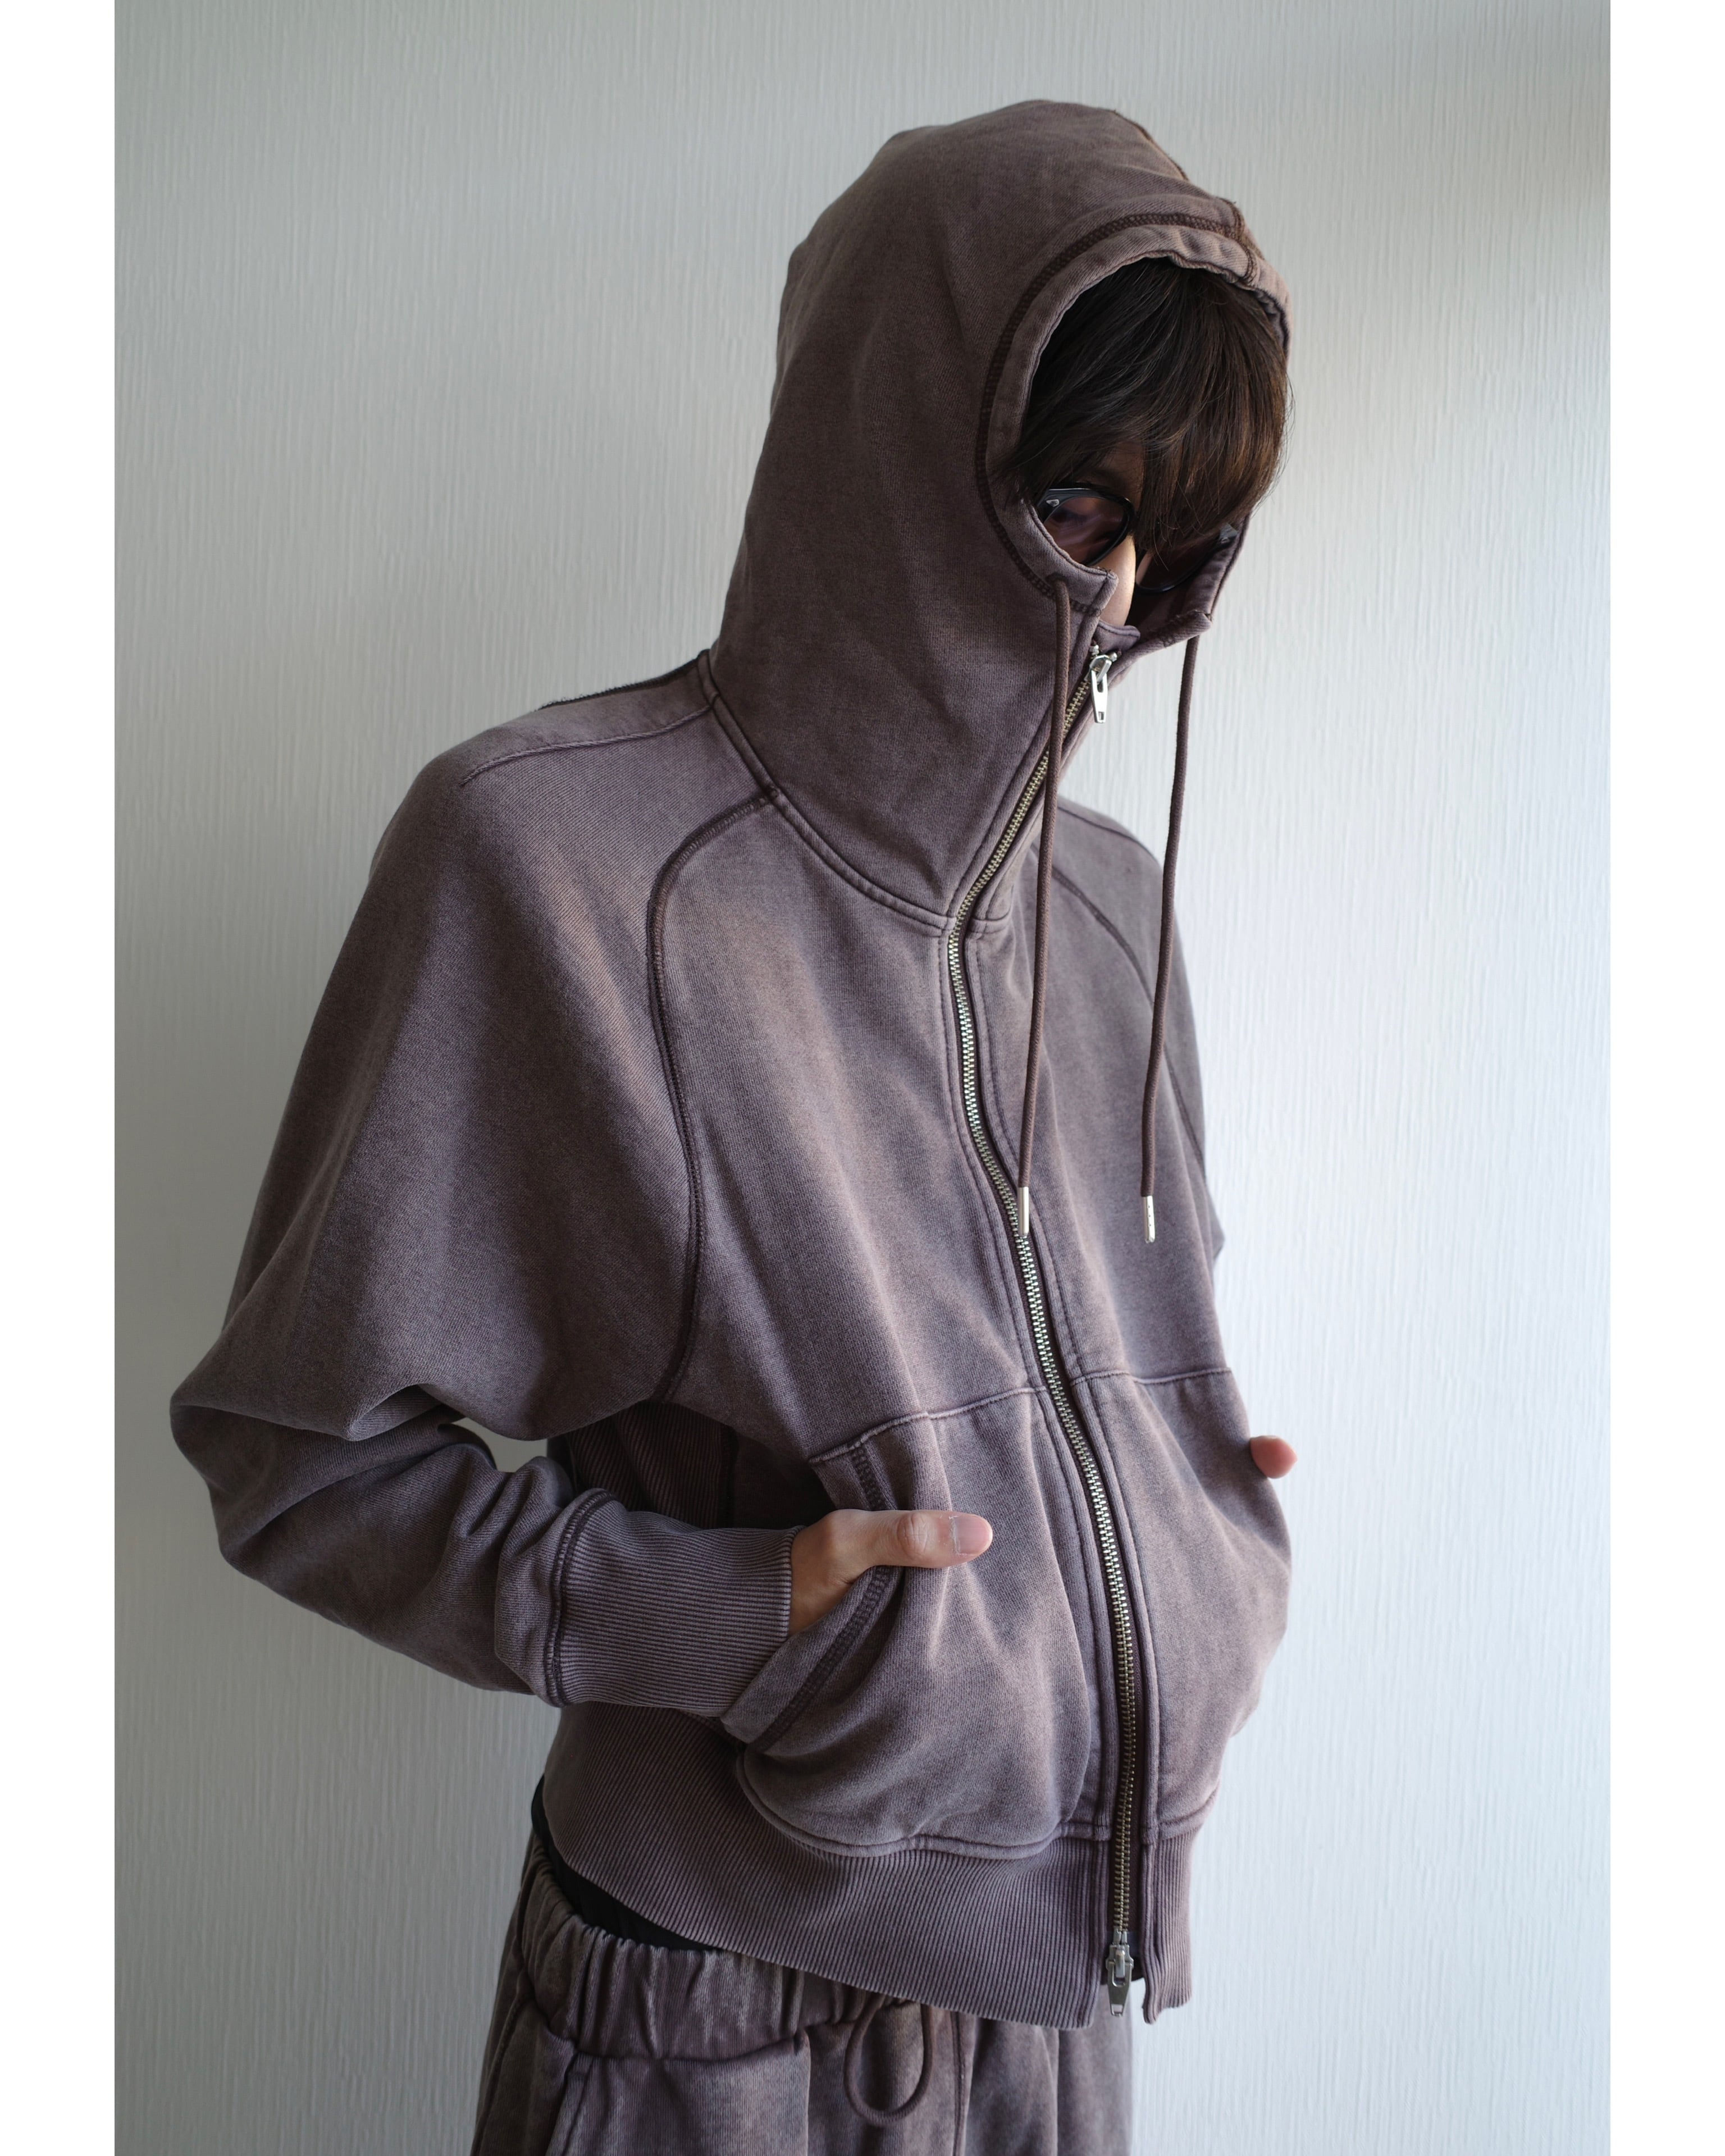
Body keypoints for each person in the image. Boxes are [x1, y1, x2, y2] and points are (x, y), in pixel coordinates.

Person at [172, 101, 1297, 2155]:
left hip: (1067, 2005)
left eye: (1183, 537)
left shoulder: (1117, 906)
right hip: (717, 2028)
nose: (1124, 598)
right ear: (901, 435)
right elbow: (296, 1459)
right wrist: (760, 1620)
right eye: (1079, 507)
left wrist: (1178, 1498)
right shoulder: (560, 860)